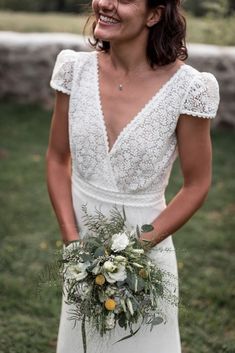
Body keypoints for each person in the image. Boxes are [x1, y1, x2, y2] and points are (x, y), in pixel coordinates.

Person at [46, 0, 220, 352]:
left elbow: (197, 184)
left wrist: (134, 252)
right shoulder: (73, 70)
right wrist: (73, 244)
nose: (103, 3)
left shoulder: (190, 88)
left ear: (154, 14)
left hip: (147, 254)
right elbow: (57, 157)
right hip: (81, 252)